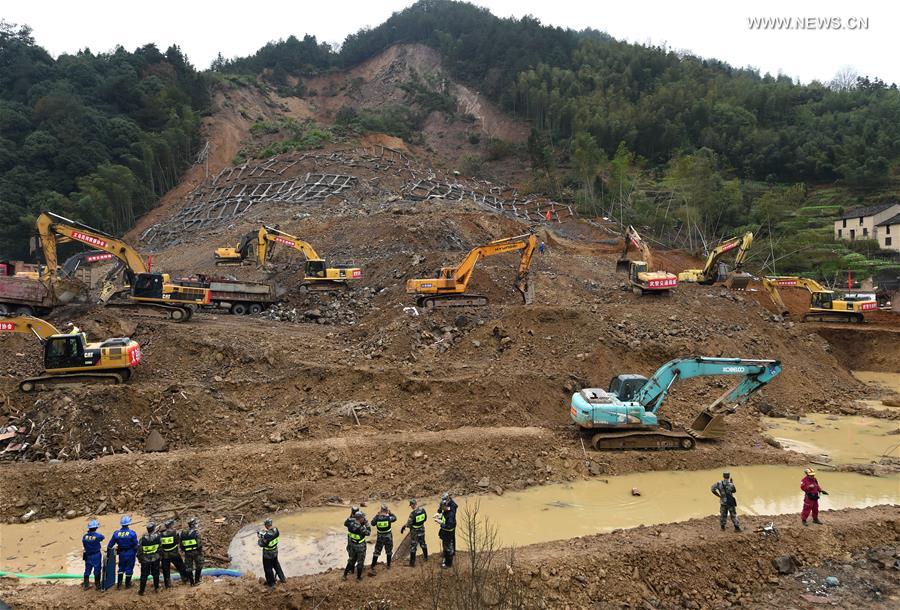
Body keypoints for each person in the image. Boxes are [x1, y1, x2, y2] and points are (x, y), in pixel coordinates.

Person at [107, 515, 138, 589]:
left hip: (121, 553)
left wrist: (108, 555)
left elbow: (110, 545)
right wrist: (137, 554)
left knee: (121, 568)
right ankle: (127, 585)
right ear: (128, 524)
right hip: (130, 553)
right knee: (129, 568)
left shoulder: (116, 533)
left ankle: (119, 585)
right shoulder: (132, 533)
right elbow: (136, 545)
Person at [159, 518, 191, 587]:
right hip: (174, 553)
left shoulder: (161, 534)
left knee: (166, 570)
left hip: (165, 555)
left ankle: (167, 584)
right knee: (180, 566)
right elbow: (177, 541)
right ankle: (185, 579)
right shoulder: (174, 532)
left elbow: (159, 544)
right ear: (171, 525)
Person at [258, 518, 286, 588]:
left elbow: (261, 544)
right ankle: (283, 578)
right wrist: (266, 532)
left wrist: (260, 537)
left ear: (266, 525)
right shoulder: (276, 530)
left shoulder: (267, 536)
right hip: (275, 552)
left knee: (268, 569)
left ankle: (271, 583)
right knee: (276, 565)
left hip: (267, 554)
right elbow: (271, 534)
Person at [343, 511, 370, 581]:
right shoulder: (361, 528)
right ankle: (358, 578)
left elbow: (345, 523)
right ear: (360, 519)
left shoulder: (350, 523)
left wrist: (351, 518)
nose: (364, 519)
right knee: (360, 562)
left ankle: (344, 575)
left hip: (352, 544)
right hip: (360, 546)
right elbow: (368, 533)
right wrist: (367, 524)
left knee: (351, 560)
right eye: (363, 518)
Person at [400, 498, 428, 567]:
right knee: (423, 543)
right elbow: (425, 519)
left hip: (414, 531)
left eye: (411, 505)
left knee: (413, 546)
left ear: (413, 505)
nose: (411, 507)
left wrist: (404, 526)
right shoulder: (422, 510)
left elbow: (409, 524)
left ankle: (412, 563)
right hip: (421, 529)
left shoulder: (412, 514)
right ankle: (426, 557)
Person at [369, 504, 397, 572]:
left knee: (377, 551)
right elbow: (395, 518)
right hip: (388, 537)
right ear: (387, 510)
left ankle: (373, 565)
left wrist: (377, 515)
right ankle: (388, 565)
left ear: (381, 510)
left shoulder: (377, 518)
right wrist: (390, 513)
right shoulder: (389, 518)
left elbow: (372, 523)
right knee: (389, 551)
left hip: (380, 537)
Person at [137, 522, 161, 596]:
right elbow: (161, 548)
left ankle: (142, 591)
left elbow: (139, 550)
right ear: (153, 529)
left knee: (144, 575)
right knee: (156, 574)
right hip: (155, 558)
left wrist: (140, 559)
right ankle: (156, 588)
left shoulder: (143, 539)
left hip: (145, 560)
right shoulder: (158, 537)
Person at [82, 519, 105, 590]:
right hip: (96, 555)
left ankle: (86, 585)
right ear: (96, 528)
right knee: (97, 569)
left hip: (88, 555)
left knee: (87, 570)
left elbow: (84, 544)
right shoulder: (98, 536)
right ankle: (97, 585)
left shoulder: (84, 536)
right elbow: (102, 537)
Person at [437, 492, 458, 568]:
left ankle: (448, 563)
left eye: (444, 505)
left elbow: (449, 525)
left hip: (448, 530)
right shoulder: (446, 506)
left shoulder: (451, 510)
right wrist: (439, 514)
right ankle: (447, 554)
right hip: (446, 528)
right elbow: (441, 509)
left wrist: (440, 522)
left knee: (449, 545)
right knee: (446, 544)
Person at [180, 517, 203, 586]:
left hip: (187, 553)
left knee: (189, 567)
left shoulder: (183, 533)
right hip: (196, 553)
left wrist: (186, 550)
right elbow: (199, 545)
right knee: (199, 566)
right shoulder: (196, 533)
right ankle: (197, 580)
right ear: (193, 525)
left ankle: (191, 582)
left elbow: (181, 545)